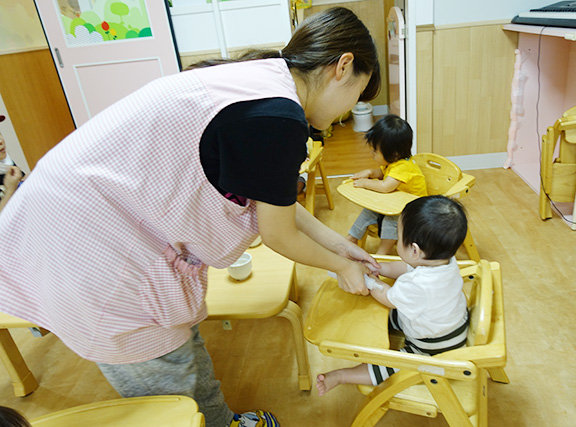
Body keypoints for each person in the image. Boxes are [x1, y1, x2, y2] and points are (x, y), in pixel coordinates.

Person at [0, 8, 381, 427]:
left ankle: (220, 421)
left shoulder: (261, 81)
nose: (349, 111)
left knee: (183, 344)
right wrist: (342, 266)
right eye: (357, 96)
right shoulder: (278, 115)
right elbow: (278, 234)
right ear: (343, 66)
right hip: (88, 244)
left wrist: (338, 245)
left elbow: (275, 206)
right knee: (164, 385)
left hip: (93, 220)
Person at [317, 195, 469, 396]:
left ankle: (341, 376)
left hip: (432, 347)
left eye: (398, 236)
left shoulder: (417, 285)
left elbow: (388, 297)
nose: (396, 241)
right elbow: (406, 267)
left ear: (414, 250)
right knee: (370, 317)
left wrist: (370, 282)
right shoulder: (445, 261)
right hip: (445, 323)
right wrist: (380, 268)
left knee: (386, 366)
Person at [346, 114, 427, 254]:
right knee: (368, 210)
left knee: (392, 220)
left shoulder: (403, 167)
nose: (372, 153)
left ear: (394, 154)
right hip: (396, 204)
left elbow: (385, 187)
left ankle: (383, 252)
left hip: (413, 211)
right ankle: (351, 238)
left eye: (375, 151)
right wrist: (370, 173)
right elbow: (383, 174)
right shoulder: (393, 163)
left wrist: (365, 183)